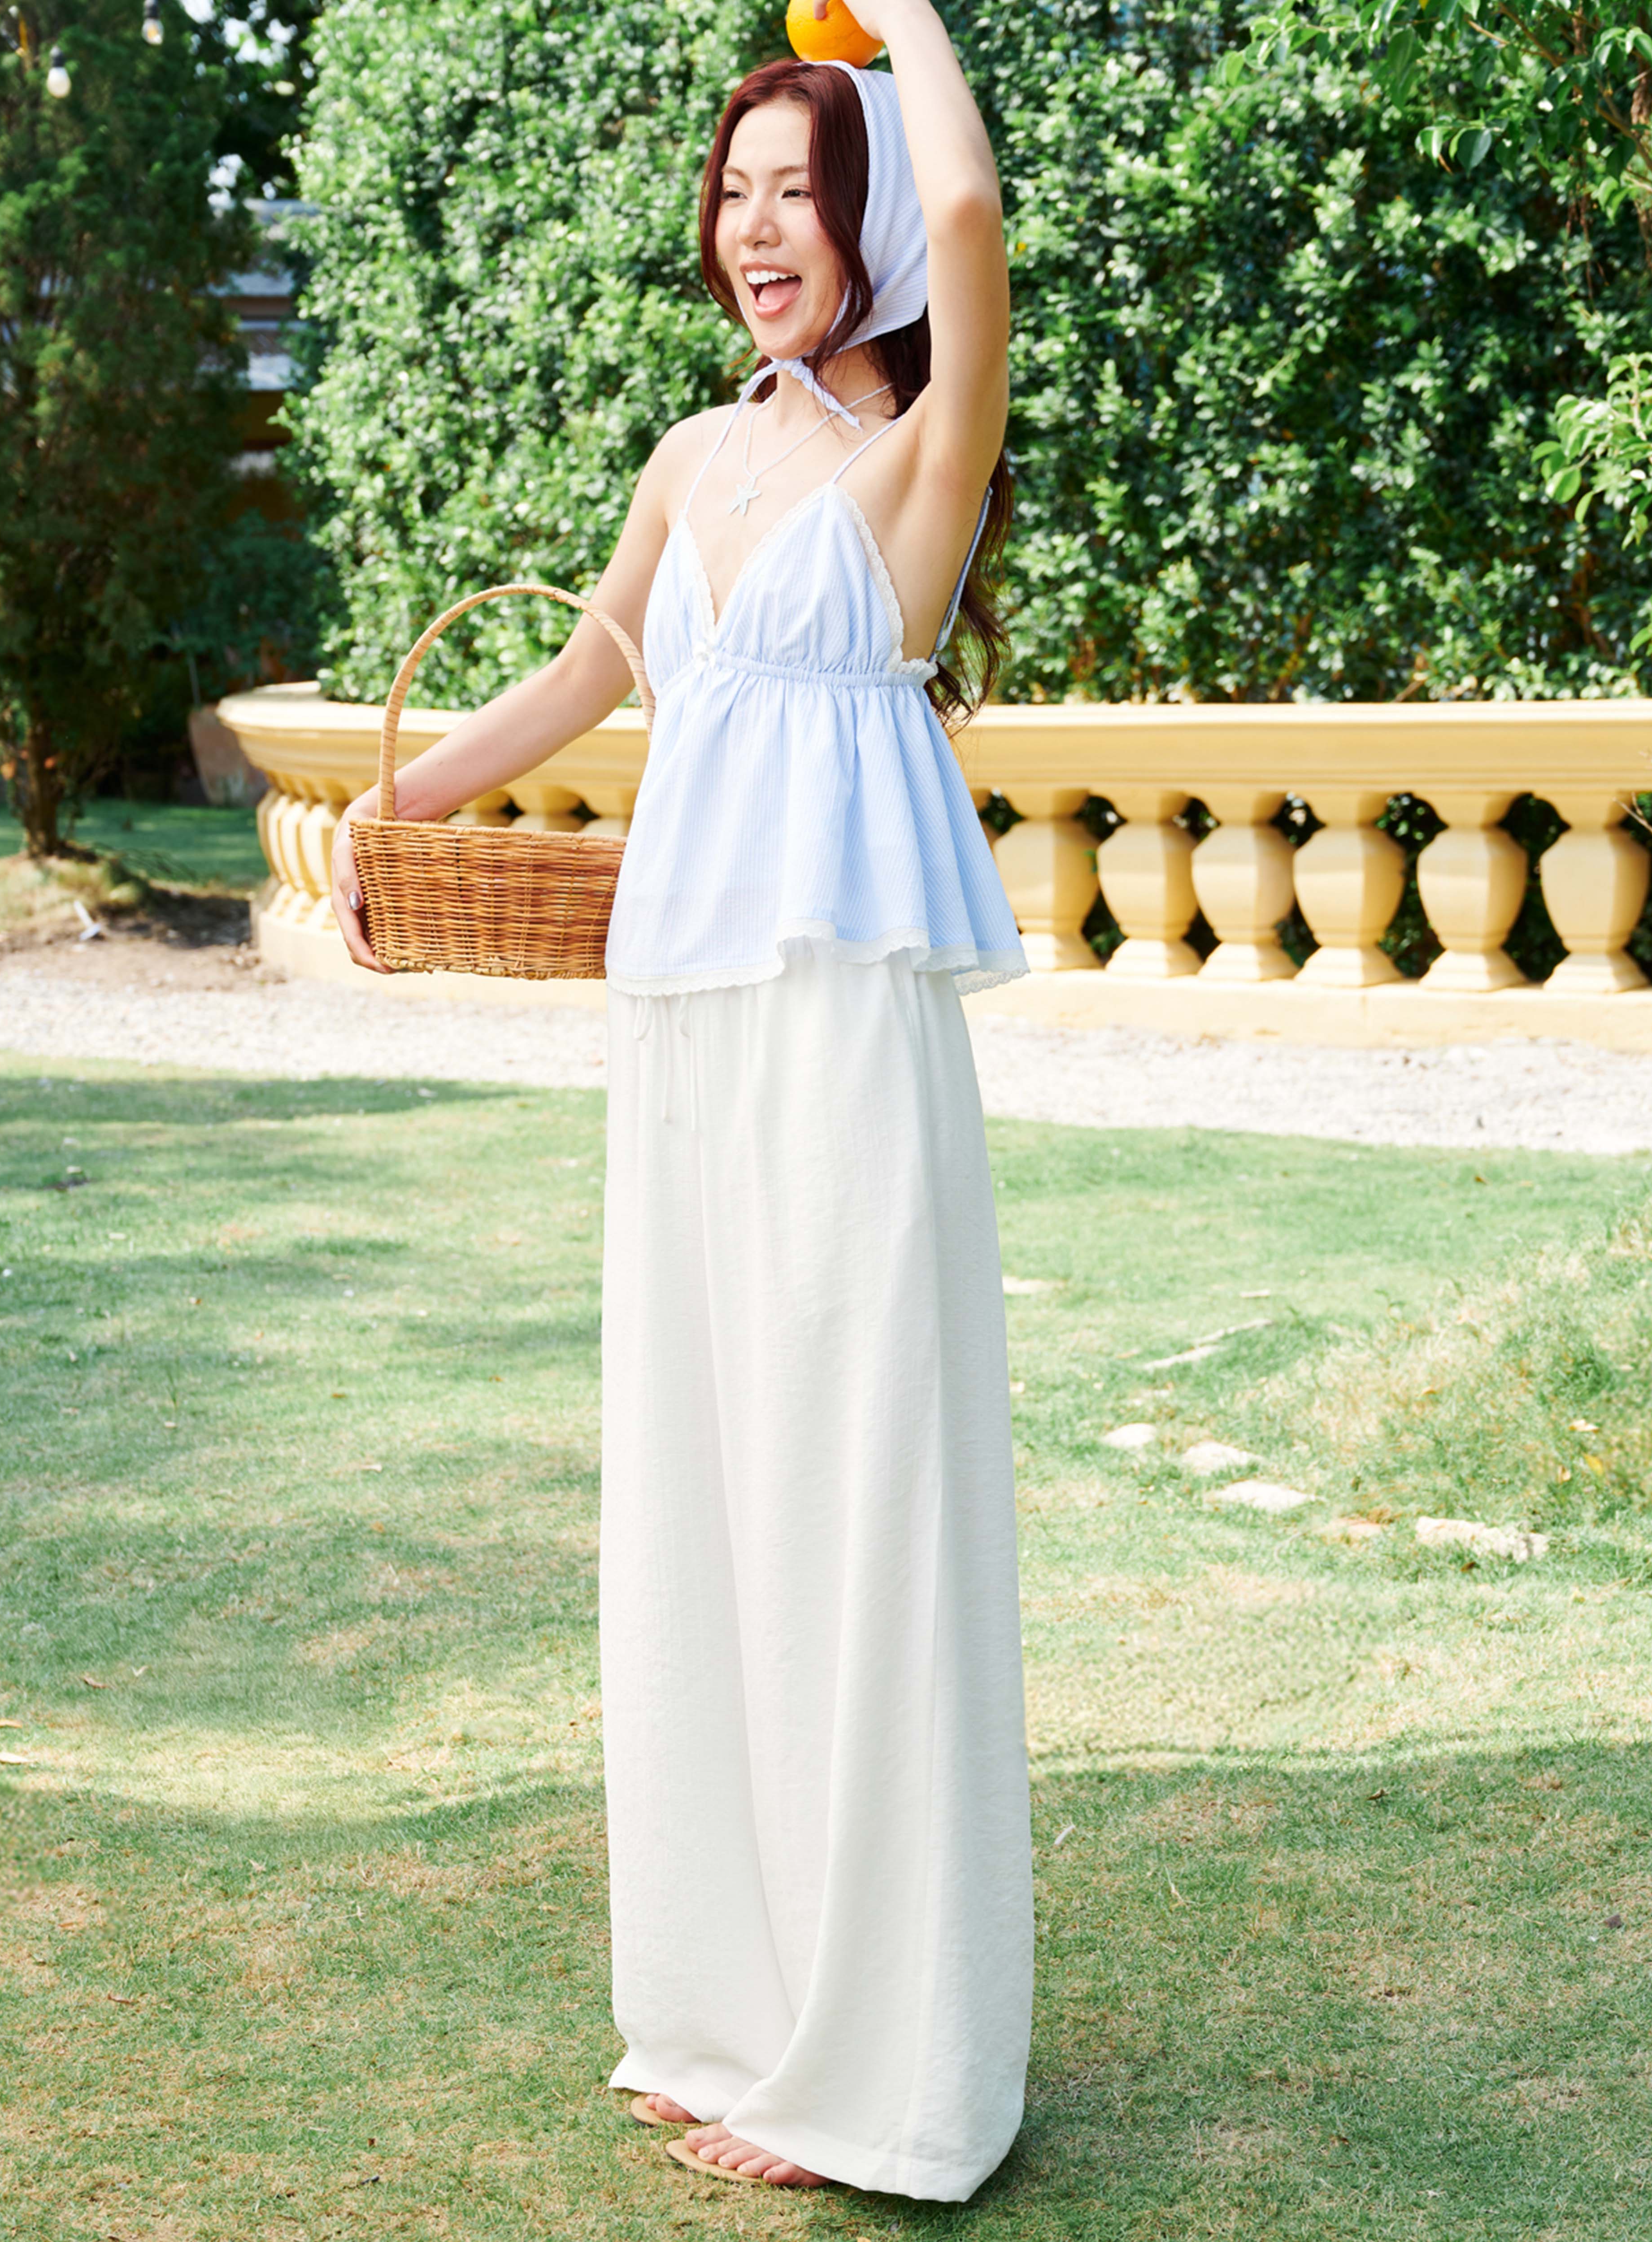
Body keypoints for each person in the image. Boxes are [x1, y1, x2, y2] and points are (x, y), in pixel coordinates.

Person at [330, 0, 1031, 2201]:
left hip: (837, 1028)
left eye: (799, 191)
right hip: (686, 1032)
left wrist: (902, 18)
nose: (756, 228)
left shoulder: (918, 455)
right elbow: (581, 673)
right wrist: (387, 810)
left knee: (848, 1507)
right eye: (731, 192)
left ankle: (881, 2068)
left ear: (863, 229)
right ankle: (727, 2006)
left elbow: (976, 208)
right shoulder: (687, 458)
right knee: (703, 1504)